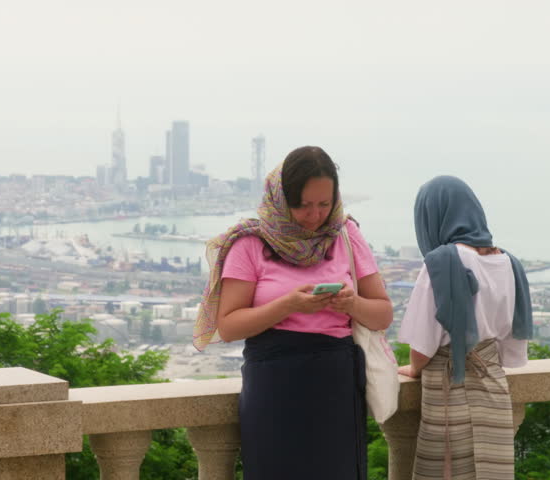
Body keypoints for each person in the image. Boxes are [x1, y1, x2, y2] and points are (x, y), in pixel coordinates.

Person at [193, 146, 393, 480]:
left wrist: (352, 304)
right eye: (303, 205)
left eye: (324, 204)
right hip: (274, 386)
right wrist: (289, 304)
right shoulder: (250, 243)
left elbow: (383, 314)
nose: (315, 216)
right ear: (281, 199)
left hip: (336, 387)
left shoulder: (345, 234)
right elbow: (228, 326)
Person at [396, 175, 532, 480]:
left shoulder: (442, 261)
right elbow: (513, 349)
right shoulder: (509, 262)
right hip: (494, 387)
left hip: (449, 386)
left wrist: (415, 368)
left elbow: (423, 338)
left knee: (446, 470)